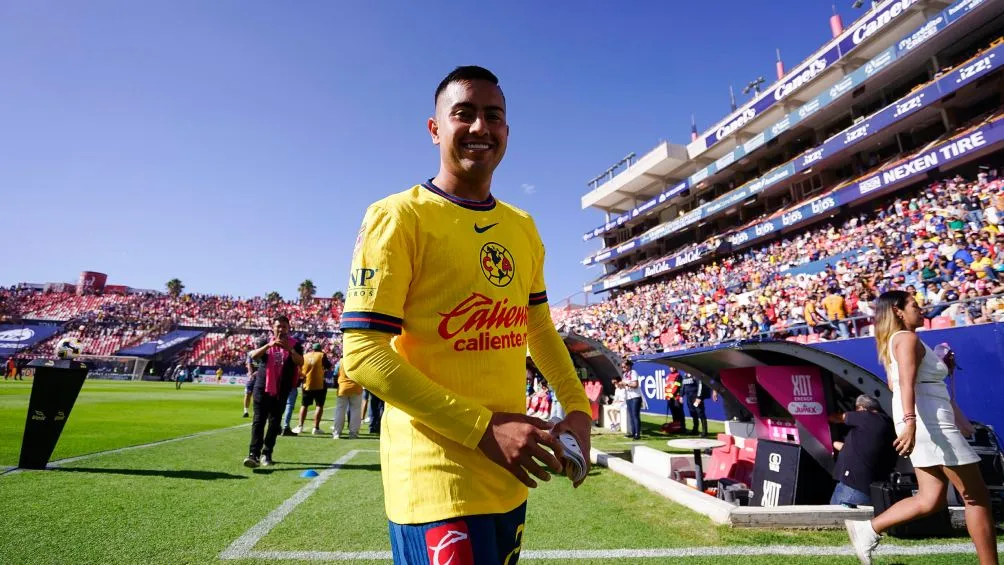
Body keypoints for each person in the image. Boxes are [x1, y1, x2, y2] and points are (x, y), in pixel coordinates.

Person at [341, 65, 592, 564]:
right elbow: (363, 355)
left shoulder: (522, 226)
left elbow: (536, 327)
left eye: (493, 117)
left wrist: (578, 407)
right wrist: (483, 429)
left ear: (507, 132)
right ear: (435, 128)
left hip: (509, 476)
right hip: (436, 480)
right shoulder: (398, 217)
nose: (480, 127)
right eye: (464, 114)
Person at [845, 291, 997, 565]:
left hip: (926, 422)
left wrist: (942, 369)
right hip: (928, 424)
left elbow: (900, 383)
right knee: (976, 497)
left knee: (931, 499)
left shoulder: (899, 340)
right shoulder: (906, 338)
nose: (921, 308)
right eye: (914, 305)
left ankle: (868, 529)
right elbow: (903, 383)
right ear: (898, 311)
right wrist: (911, 423)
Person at [243, 315, 303, 468]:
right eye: (278, 326)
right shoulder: (265, 341)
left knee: (275, 423)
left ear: (289, 328)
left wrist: (289, 349)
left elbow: (301, 362)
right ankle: (253, 454)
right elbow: (254, 357)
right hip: (262, 387)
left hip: (282, 389)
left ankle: (267, 453)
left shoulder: (295, 345)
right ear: (273, 327)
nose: (281, 329)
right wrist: (269, 345)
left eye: (284, 326)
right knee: (258, 421)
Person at [828, 395, 896, 507]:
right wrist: (834, 444)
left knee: (836, 520)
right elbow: (858, 450)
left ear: (861, 408)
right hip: (873, 487)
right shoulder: (886, 423)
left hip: (852, 486)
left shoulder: (866, 416)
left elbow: (836, 418)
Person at [293, 343, 331, 435]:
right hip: (319, 384)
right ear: (320, 349)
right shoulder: (322, 355)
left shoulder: (305, 356)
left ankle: (300, 426)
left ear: (312, 349)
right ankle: (316, 428)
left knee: (304, 405)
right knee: (319, 406)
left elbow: (299, 367)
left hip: (307, 384)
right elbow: (329, 367)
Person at [331, 358, 362, 439]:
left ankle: (337, 432)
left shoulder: (341, 361)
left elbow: (335, 373)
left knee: (340, 410)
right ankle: (353, 433)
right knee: (356, 411)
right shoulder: (357, 359)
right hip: (356, 387)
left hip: (343, 387)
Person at [242, 338, 267, 417]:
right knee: (248, 393)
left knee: (260, 395)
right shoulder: (251, 353)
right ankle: (245, 411)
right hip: (252, 377)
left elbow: (265, 366)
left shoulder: (266, 354)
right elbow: (248, 363)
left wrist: (257, 372)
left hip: (261, 376)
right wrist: (250, 372)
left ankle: (260, 411)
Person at [681, 370, 709, 437]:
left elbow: (700, 386)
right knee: (693, 413)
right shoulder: (685, 376)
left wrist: (699, 397)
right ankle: (695, 430)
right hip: (689, 398)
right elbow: (683, 387)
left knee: (700, 413)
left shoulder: (695, 374)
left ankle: (704, 431)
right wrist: (681, 396)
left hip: (695, 398)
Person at [621, 361, 642, 440]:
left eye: (624, 367)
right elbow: (625, 385)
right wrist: (621, 385)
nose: (623, 368)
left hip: (635, 396)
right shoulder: (624, 374)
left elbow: (635, 385)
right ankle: (633, 433)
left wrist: (626, 384)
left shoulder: (633, 372)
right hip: (628, 397)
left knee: (635, 415)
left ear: (629, 366)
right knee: (631, 416)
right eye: (622, 367)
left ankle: (637, 433)